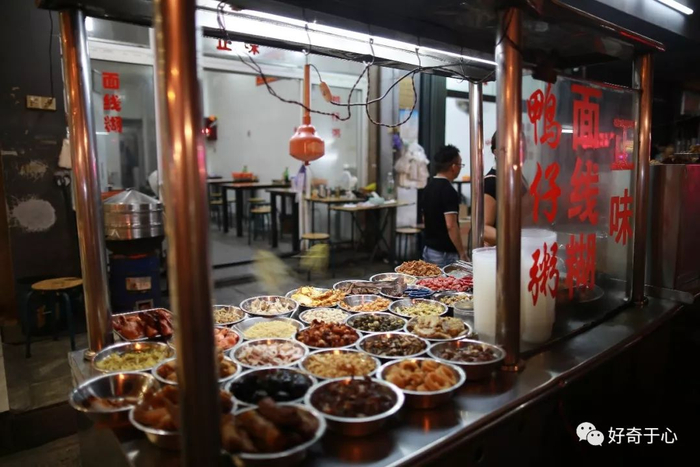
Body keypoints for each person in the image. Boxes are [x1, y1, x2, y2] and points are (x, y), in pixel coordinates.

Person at [421, 145, 467, 267]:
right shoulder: (449, 191)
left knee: (430, 279)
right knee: (445, 280)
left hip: (428, 249)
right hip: (444, 254)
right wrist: (462, 252)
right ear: (453, 167)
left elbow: (424, 219)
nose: (460, 168)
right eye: (460, 165)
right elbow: (451, 225)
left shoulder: (428, 188)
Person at [483, 132, 499, 245]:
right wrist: (517, 241)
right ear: (496, 152)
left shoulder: (519, 179)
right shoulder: (491, 182)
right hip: (501, 251)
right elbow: (485, 229)